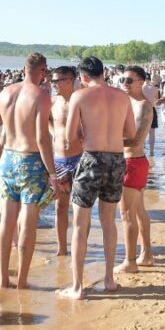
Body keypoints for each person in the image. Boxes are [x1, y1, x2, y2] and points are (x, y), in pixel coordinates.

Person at [58, 56, 135, 300]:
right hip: (116, 160)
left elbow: (69, 137)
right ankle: (109, 279)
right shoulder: (122, 96)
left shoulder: (79, 96)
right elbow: (130, 132)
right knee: (109, 221)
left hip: (91, 159)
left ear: (83, 77)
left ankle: (77, 287)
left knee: (80, 225)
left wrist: (88, 134)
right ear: (103, 72)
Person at [0, 53, 58, 289]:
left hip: (8, 158)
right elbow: (42, 139)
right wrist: (53, 175)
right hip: (31, 160)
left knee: (6, 221)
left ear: (23, 68)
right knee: (27, 222)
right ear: (43, 71)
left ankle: (3, 278)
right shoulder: (41, 95)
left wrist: (1, 158)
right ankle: (22, 281)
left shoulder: (5, 92)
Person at [115, 66, 155, 274]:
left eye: (129, 80)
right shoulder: (126, 103)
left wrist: (105, 139)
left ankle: (130, 261)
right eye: (122, 79)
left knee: (127, 215)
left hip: (132, 162)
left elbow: (135, 140)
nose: (125, 83)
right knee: (139, 211)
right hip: (133, 162)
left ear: (141, 82)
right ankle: (146, 254)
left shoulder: (143, 106)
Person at [49, 65, 80, 256]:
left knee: (80, 209)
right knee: (60, 206)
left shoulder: (80, 101)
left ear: (70, 81)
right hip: (59, 160)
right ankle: (62, 249)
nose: (53, 84)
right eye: (52, 81)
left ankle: (78, 248)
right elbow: (48, 121)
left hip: (79, 159)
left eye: (57, 81)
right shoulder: (52, 102)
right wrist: (55, 135)